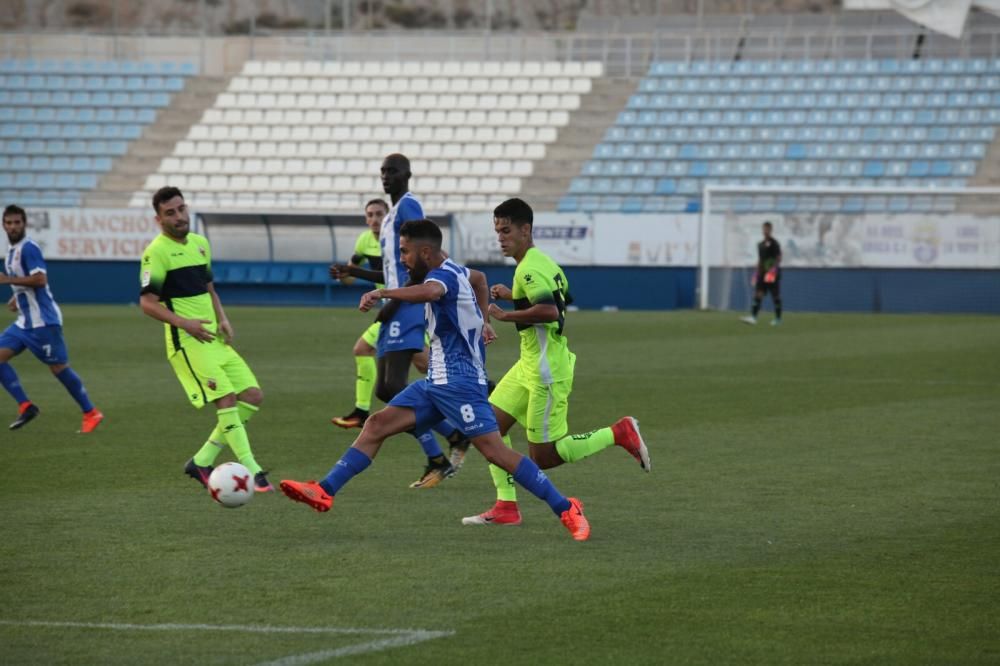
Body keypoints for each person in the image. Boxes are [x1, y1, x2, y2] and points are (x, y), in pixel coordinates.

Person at [279, 219, 591, 541]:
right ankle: (325, 490)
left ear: (425, 252)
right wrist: (483, 321)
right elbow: (481, 279)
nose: (401, 259)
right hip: (436, 382)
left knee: (497, 453)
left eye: (405, 252)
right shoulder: (456, 268)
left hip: (461, 383)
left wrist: (383, 291)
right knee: (376, 425)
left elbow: (431, 291)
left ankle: (566, 506)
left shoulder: (440, 276)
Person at [462, 198, 650, 527]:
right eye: (497, 231)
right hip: (530, 362)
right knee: (487, 427)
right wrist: (516, 297)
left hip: (546, 369)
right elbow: (563, 300)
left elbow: (549, 311)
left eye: (506, 231)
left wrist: (506, 313)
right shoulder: (543, 262)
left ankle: (618, 433)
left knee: (543, 456)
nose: (501, 237)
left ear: (526, 229)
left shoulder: (529, 268)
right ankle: (506, 505)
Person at [329, 154, 470, 489]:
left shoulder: (408, 207)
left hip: (405, 304)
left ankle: (452, 436)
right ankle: (446, 443)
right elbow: (396, 267)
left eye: (392, 171)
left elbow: (422, 259)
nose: (386, 176)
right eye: (382, 171)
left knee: (393, 386)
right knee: (385, 387)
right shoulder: (392, 215)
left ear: (408, 174)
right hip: (397, 300)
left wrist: (396, 299)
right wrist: (356, 272)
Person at [139, 187, 272, 493]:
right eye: (170, 213)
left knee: (252, 396)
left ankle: (202, 460)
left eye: (181, 209)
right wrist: (185, 324)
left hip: (213, 338)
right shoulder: (155, 252)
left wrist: (222, 318)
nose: (179, 216)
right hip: (188, 343)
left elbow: (209, 288)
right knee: (225, 399)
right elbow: (148, 303)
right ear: (158, 219)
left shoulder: (200, 244)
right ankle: (253, 469)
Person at [0, 204, 104, 432]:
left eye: (17, 222)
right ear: (3, 225)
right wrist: (18, 298)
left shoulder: (29, 248)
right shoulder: (11, 251)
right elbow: (26, 284)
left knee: (58, 368)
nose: (13, 226)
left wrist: (7, 281)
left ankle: (91, 412)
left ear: (24, 223)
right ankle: (26, 406)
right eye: (9, 222)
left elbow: (40, 280)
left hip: (44, 322)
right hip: (25, 322)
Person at [330, 198, 430, 429]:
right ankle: (362, 411)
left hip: (403, 308)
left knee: (414, 370)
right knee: (419, 366)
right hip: (391, 308)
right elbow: (350, 278)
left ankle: (454, 409)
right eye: (370, 215)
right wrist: (343, 272)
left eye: (379, 214)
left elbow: (407, 272)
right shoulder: (364, 241)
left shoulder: (399, 241)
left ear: (388, 217)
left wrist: (392, 300)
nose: (374, 219)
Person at [741, 221, 783, 326]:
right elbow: (760, 259)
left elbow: (779, 258)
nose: (765, 231)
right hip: (762, 272)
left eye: (767, 229)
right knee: (758, 294)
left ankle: (778, 319)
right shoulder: (760, 244)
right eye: (764, 229)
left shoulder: (774, 243)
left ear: (771, 230)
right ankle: (753, 317)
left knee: (775, 296)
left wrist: (773, 270)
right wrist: (756, 273)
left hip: (771, 273)